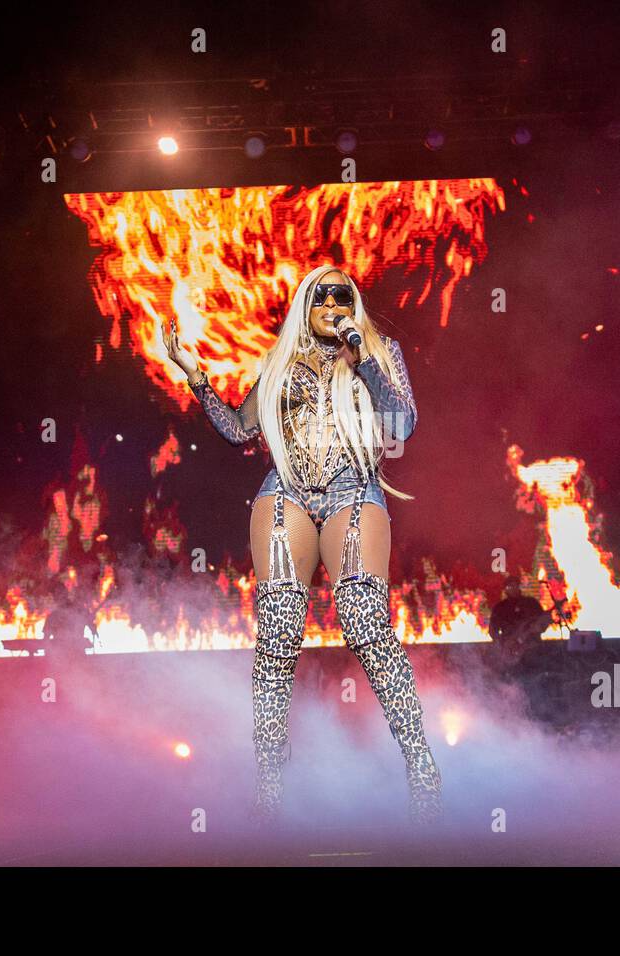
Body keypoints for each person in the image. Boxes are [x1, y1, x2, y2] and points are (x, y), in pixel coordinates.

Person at [159, 264, 442, 824]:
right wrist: (195, 376)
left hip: (352, 490)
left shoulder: (379, 352)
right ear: (304, 306)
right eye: (322, 298)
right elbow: (241, 429)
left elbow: (400, 426)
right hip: (285, 492)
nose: (333, 306)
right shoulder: (280, 361)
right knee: (278, 635)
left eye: (344, 298)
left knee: (366, 626)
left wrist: (362, 355)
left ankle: (420, 763)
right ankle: (268, 779)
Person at [488, 576, 551, 670]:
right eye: (509, 587)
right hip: (510, 652)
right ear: (505, 590)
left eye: (515, 585)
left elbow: (543, 623)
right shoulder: (500, 608)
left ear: (519, 587)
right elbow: (493, 630)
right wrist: (502, 645)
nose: (513, 589)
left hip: (532, 650)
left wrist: (538, 628)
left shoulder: (531, 603)